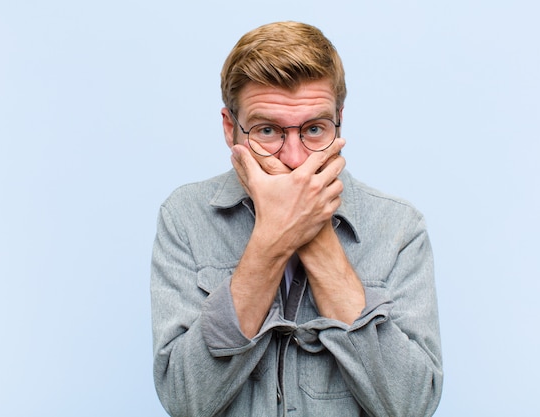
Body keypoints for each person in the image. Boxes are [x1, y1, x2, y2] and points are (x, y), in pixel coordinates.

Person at [150, 21, 442, 417]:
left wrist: (315, 234)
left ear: (340, 120)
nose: (294, 158)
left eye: (314, 129)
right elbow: (185, 401)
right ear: (229, 129)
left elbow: (411, 405)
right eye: (267, 130)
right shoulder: (185, 217)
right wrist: (271, 243)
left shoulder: (399, 228)